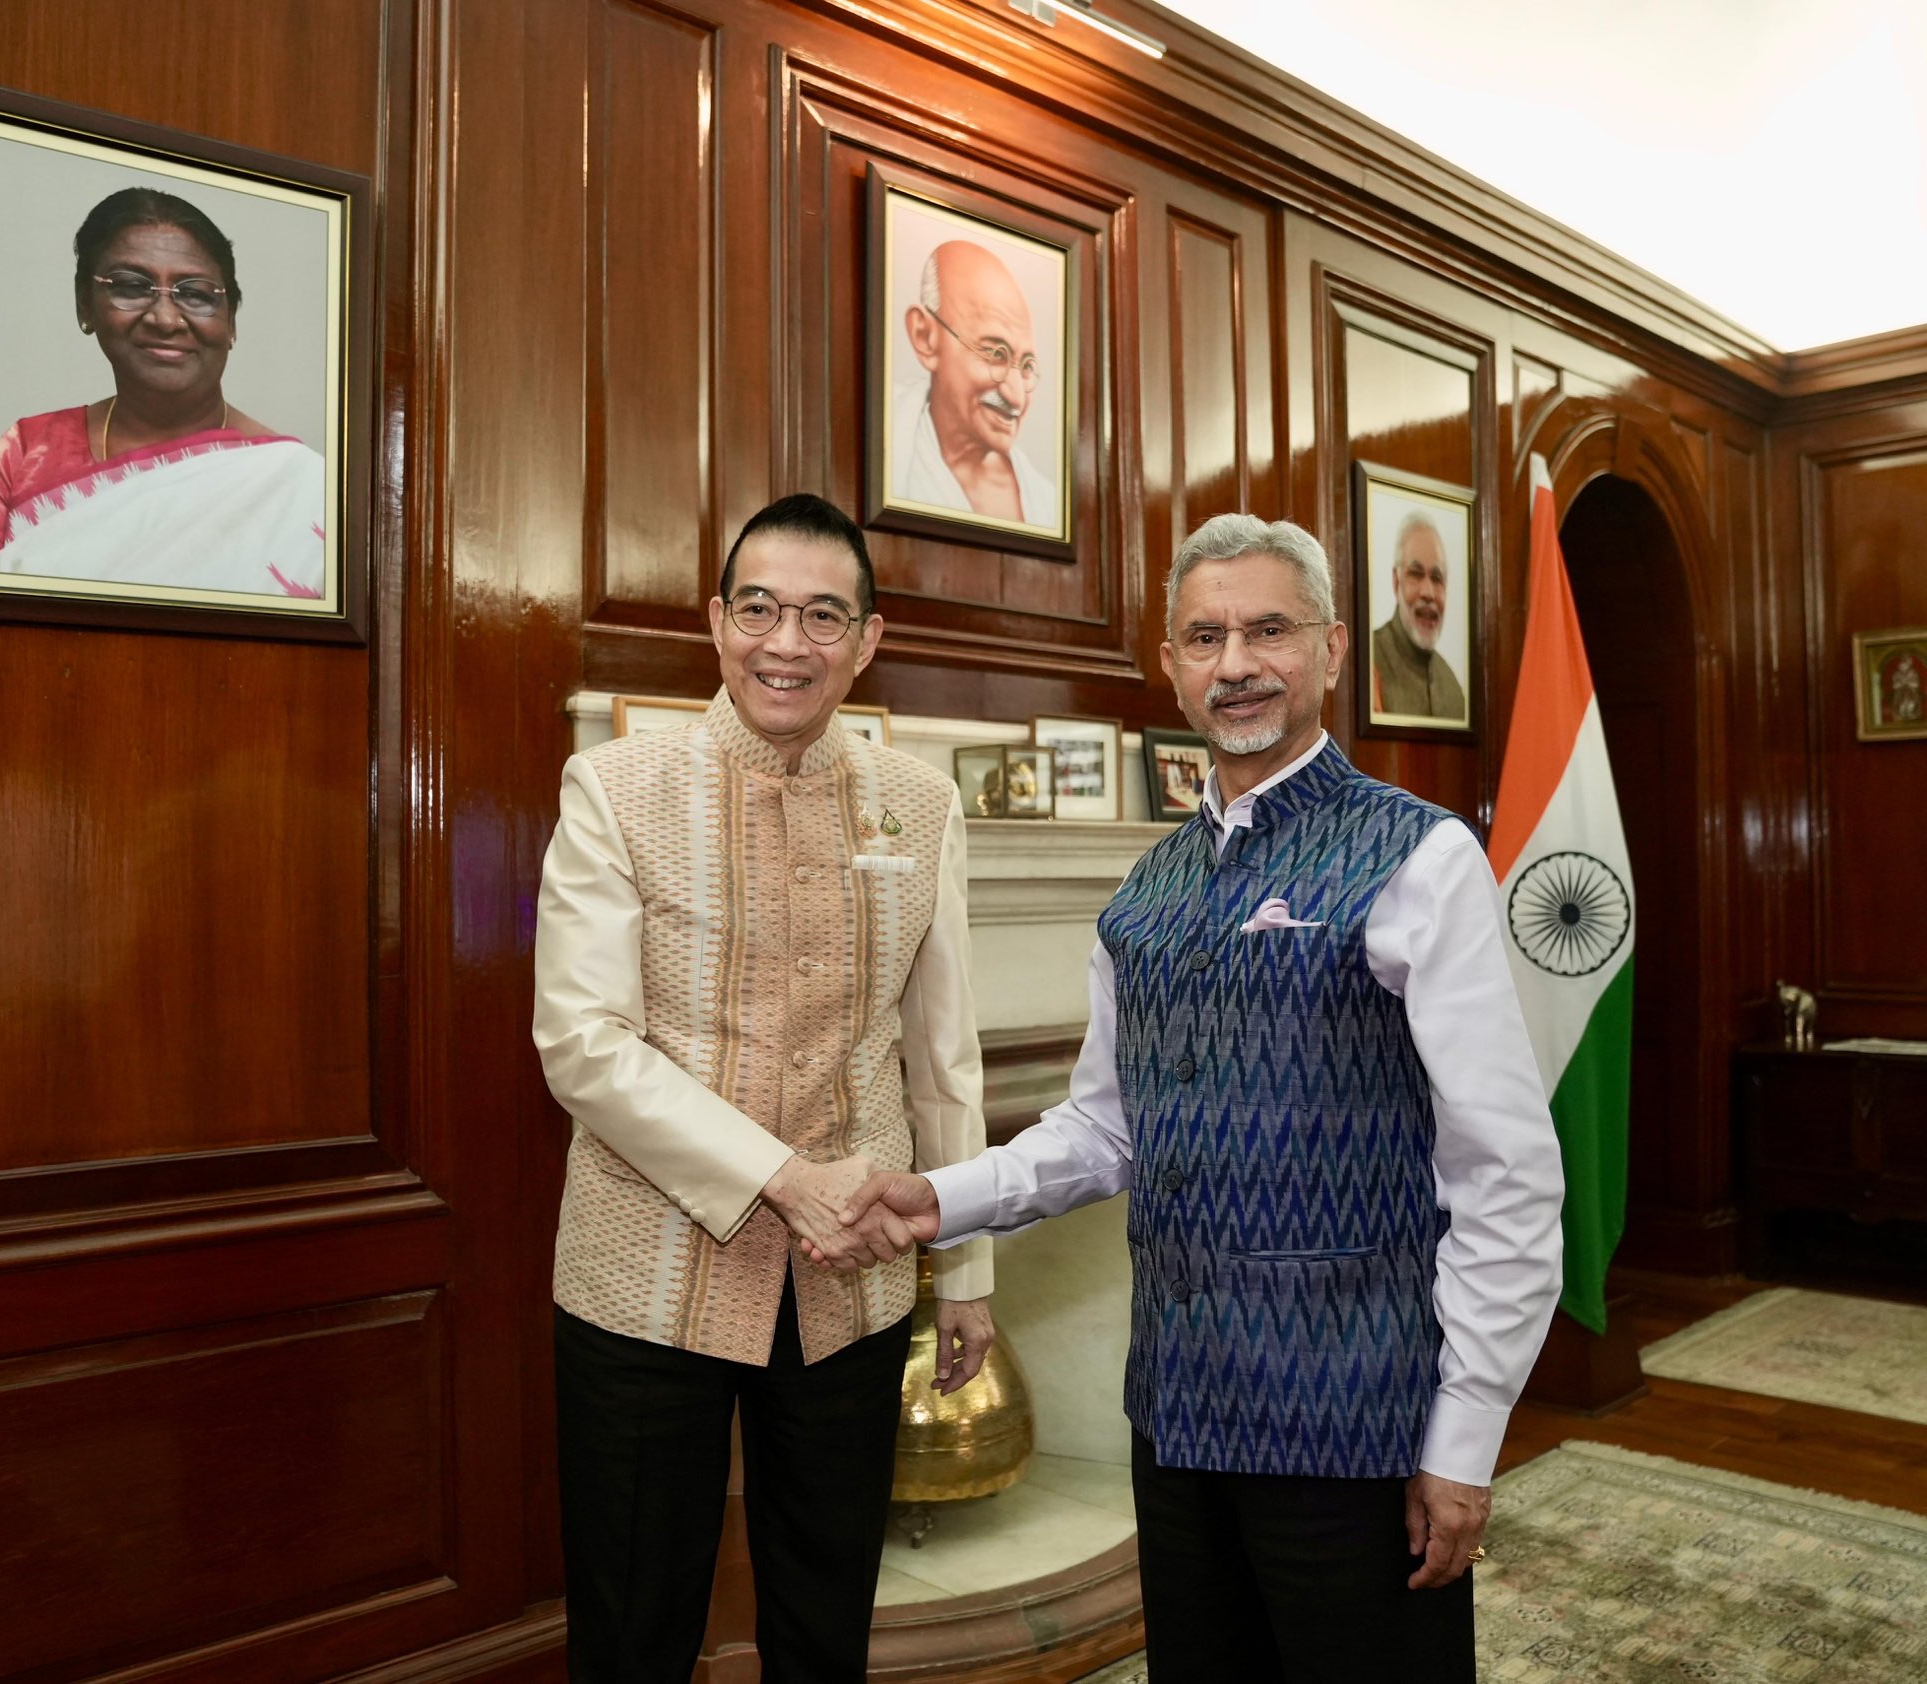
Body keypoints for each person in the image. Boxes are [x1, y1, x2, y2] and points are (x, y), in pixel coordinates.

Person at [821, 513, 1563, 1683]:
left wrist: (1463, 1442)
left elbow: (1505, 1178)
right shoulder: (1145, 889)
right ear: (1168, 663)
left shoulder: (1419, 858)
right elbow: (1105, 1125)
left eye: (1266, 630)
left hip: (1352, 1416)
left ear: (1327, 648)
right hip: (1175, 1414)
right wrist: (937, 1196)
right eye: (1204, 636)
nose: (1234, 664)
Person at [531, 493, 995, 1684]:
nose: (786, 643)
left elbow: (939, 1054)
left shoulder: (925, 802)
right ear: (715, 621)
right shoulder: (613, 788)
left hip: (852, 1289)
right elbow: (583, 1042)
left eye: (822, 616)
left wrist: (968, 1274)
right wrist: (786, 1181)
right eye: (759, 609)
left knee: (822, 1616)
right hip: (642, 1281)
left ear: (867, 639)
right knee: (634, 1628)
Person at [0, 187, 325, 597]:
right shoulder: (26, 454)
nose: (165, 318)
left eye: (196, 294)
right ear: (84, 306)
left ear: (231, 321)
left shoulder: (300, 487)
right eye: (131, 287)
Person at [891, 239, 1058, 528]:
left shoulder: (1045, 501)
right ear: (925, 337)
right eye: (996, 354)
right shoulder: (890, 441)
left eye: (1027, 366)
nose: (1016, 397)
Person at [1371, 510, 1466, 721]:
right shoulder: (1370, 664)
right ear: (1396, 583)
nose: (1428, 593)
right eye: (1416, 574)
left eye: (1437, 578)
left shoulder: (1452, 688)